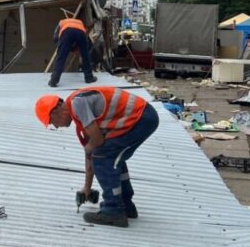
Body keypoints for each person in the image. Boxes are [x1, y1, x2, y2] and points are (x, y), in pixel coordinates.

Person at [34, 86, 159, 227]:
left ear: (56, 112)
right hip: (142, 117)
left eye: (51, 122)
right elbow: (91, 153)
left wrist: (90, 148)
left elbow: (97, 143)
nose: (56, 127)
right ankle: (125, 205)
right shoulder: (79, 112)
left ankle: (114, 211)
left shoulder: (77, 104)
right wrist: (87, 188)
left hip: (141, 118)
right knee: (111, 156)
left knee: (104, 156)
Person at [48, 16, 97, 87]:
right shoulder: (80, 22)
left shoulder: (61, 22)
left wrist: (61, 48)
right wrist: (78, 49)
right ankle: (89, 78)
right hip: (81, 32)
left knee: (61, 57)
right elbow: (84, 44)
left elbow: (55, 36)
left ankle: (53, 80)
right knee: (85, 56)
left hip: (67, 32)